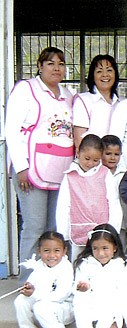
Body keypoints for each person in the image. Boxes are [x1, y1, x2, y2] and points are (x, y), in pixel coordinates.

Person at [5, 47, 74, 283]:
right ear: (40, 66)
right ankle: (28, 283)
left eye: (61, 64)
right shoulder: (26, 89)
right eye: (51, 63)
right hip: (31, 171)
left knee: (55, 229)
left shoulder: (68, 95)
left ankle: (53, 281)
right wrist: (21, 167)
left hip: (60, 171)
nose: (56, 68)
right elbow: (11, 130)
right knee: (34, 228)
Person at [56, 134, 122, 259]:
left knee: (102, 261)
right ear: (78, 152)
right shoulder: (70, 175)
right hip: (77, 228)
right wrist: (62, 234)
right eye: (87, 158)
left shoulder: (105, 174)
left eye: (96, 160)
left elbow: (113, 202)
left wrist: (113, 229)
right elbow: (63, 205)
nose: (90, 163)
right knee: (78, 262)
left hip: (101, 230)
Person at [13, 231, 73, 328]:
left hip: (63, 308)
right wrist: (28, 288)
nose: (52, 255)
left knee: (40, 306)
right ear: (39, 251)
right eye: (46, 251)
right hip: (42, 303)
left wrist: (35, 295)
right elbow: (33, 284)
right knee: (20, 300)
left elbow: (61, 295)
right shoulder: (40, 265)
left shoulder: (66, 268)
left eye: (57, 251)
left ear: (64, 251)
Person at [72, 224, 126, 328]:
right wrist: (81, 288)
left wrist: (116, 321)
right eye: (95, 248)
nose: (100, 253)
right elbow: (76, 288)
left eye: (105, 248)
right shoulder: (84, 264)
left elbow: (123, 295)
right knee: (80, 299)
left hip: (109, 306)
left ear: (115, 248)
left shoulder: (121, 266)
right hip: (90, 302)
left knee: (108, 298)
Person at [72, 54, 120, 150]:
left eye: (109, 70)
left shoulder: (122, 103)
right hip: (93, 162)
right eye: (99, 71)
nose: (105, 75)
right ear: (92, 76)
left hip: (117, 162)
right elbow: (79, 141)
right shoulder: (83, 101)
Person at [101, 135, 127, 246]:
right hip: (102, 218)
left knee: (120, 245)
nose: (112, 158)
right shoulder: (97, 173)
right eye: (108, 154)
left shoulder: (125, 173)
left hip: (122, 220)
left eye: (116, 154)